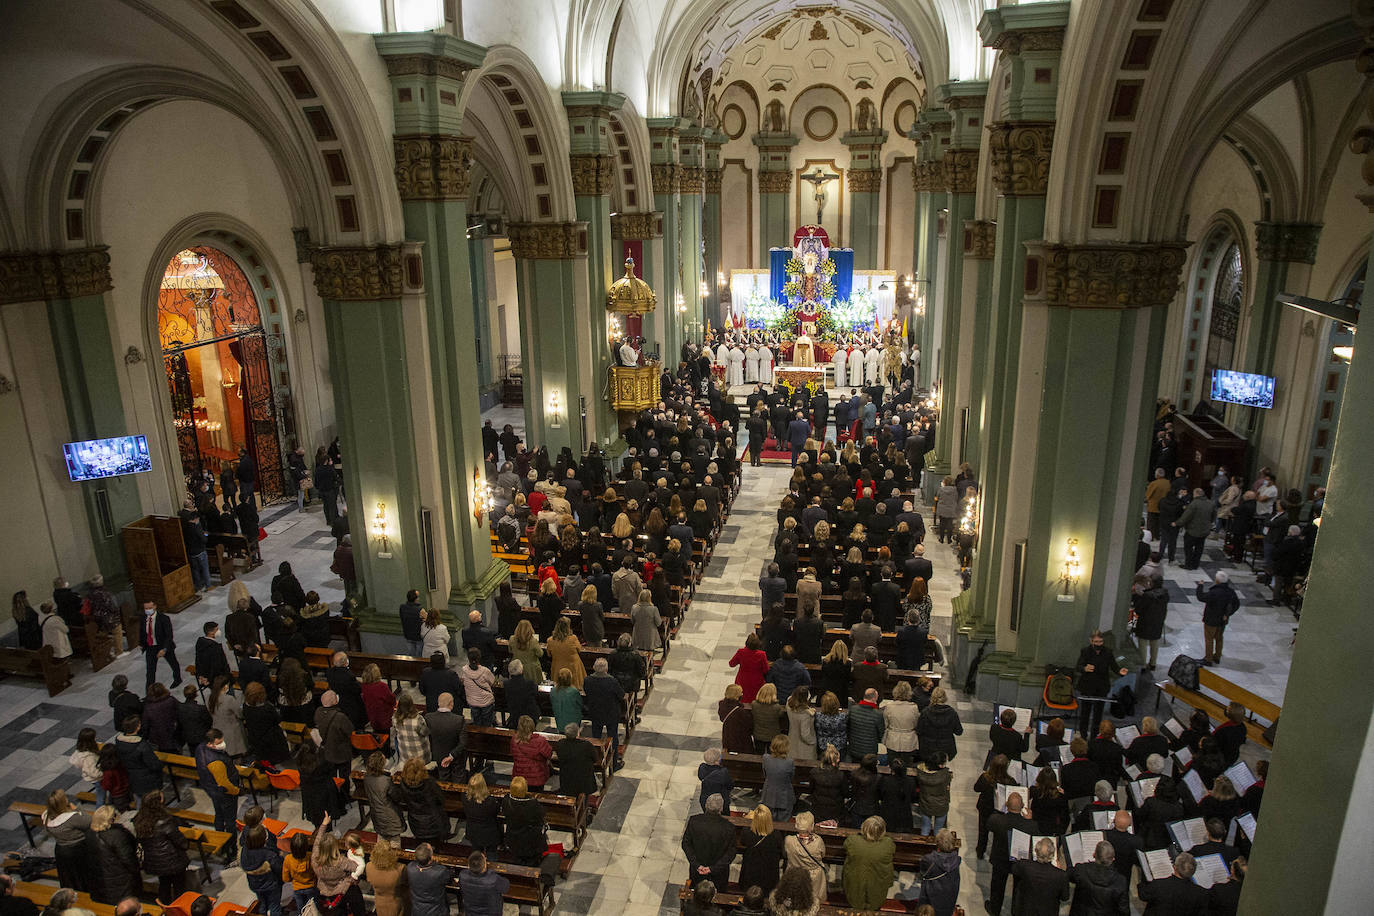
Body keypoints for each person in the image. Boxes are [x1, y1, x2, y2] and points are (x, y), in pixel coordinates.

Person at [132, 791, 189, 902]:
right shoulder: (165, 821)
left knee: (164, 885)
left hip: (155, 862)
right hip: (172, 861)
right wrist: (185, 844)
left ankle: (165, 908)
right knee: (179, 889)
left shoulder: (139, 820)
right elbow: (181, 842)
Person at [195, 728, 242, 858]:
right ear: (210, 744)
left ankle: (219, 835)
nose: (222, 744)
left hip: (211, 789)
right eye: (219, 742)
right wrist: (236, 790)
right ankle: (231, 846)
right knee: (230, 820)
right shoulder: (216, 762)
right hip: (224, 793)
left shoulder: (201, 748)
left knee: (219, 814)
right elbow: (224, 783)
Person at [986, 792, 1034, 916]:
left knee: (997, 887)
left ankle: (994, 909)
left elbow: (988, 824)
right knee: (1018, 889)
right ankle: (1015, 911)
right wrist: (1029, 820)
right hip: (1018, 861)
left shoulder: (998, 820)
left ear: (1006, 805)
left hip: (1000, 859)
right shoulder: (1029, 824)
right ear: (1023, 806)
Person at [85, 805, 141, 905]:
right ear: (111, 819)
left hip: (99, 879)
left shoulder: (89, 833)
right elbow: (128, 859)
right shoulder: (117, 836)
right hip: (120, 881)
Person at [388, 756, 449, 844]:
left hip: (416, 823)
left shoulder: (403, 784)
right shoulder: (430, 784)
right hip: (433, 823)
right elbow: (441, 799)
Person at [1075, 630, 1124, 735]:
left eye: (1100, 642)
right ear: (1091, 641)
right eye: (1096, 642)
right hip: (1087, 686)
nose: (1098, 644)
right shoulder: (1085, 651)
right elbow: (1078, 667)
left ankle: (1094, 735)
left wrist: (1120, 672)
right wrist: (1085, 668)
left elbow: (1114, 666)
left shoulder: (1108, 652)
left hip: (1101, 686)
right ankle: (1083, 735)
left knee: (1098, 715)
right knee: (1085, 714)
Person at [682, 794, 736, 888]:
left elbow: (686, 844)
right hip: (718, 873)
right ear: (721, 809)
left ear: (706, 805)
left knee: (697, 893)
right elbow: (731, 853)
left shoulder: (694, 821)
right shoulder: (729, 827)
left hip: (698, 871)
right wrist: (713, 869)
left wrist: (697, 865)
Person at [843, 815, 896, 912]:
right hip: (877, 883)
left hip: (855, 882)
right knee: (874, 905)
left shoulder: (853, 841)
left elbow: (846, 847)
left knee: (856, 906)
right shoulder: (888, 844)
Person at [1011, 836, 1070, 916]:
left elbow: (1014, 869)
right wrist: (1059, 870)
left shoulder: (1025, 866)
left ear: (1036, 851)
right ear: (1052, 854)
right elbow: (1065, 897)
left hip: (1025, 911)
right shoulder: (1061, 875)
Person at [585, 657, 626, 768]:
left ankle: (596, 759)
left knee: (596, 737)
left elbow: (587, 692)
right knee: (613, 737)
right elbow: (621, 695)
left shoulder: (588, 680)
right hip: (611, 713)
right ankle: (614, 763)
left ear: (594, 668)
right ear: (606, 669)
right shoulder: (612, 681)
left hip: (595, 712)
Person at [1138, 852, 1208, 915]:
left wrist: (1142, 882)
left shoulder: (1159, 885)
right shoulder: (1201, 893)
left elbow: (1143, 895)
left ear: (1175, 867)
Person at [739, 805, 785, 899]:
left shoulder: (747, 832)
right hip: (769, 873)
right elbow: (781, 852)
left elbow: (742, 842)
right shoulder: (776, 835)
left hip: (750, 872)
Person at [783, 811, 828, 904]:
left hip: (794, 874)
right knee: (812, 902)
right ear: (811, 826)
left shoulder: (789, 840)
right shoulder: (818, 841)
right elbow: (823, 855)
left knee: (794, 901)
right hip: (813, 877)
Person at [502, 776, 548, 867]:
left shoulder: (507, 800)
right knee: (532, 860)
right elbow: (542, 813)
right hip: (530, 839)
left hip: (513, 837)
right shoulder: (531, 804)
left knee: (518, 858)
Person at [1196, 571, 1240, 666]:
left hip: (1211, 619)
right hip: (1222, 620)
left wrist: (1200, 586)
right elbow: (1237, 604)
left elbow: (1201, 597)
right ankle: (1217, 656)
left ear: (1217, 581)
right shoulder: (1230, 592)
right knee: (1219, 638)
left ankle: (1208, 659)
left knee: (1209, 639)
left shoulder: (1214, 592)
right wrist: (1228, 614)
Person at [361, 753, 406, 844]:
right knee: (395, 844)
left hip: (376, 814)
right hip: (390, 817)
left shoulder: (367, 778)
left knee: (381, 843)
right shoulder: (386, 781)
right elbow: (397, 797)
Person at [241, 824, 285, 916]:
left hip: (255, 885)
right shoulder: (268, 854)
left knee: (262, 904)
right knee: (275, 906)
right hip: (271, 885)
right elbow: (280, 869)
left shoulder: (244, 850)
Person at [917, 829, 961, 916]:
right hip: (950, 892)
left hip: (932, 892)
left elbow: (922, 871)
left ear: (938, 843)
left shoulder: (929, 859)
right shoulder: (956, 859)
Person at [138, 601, 182, 689]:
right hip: (151, 647)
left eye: (149, 608)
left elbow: (169, 635)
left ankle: (177, 679)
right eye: (145, 608)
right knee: (150, 671)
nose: (147, 610)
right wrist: (141, 643)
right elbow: (142, 632)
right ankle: (149, 692)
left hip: (163, 645)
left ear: (154, 606)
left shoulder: (164, 618)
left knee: (173, 664)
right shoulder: (143, 618)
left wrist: (164, 649)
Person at [314, 690, 355, 781]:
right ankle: (343, 793)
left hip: (327, 752)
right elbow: (350, 731)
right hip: (341, 753)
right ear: (336, 701)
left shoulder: (318, 712)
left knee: (331, 778)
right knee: (344, 778)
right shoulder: (340, 717)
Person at [404, 841, 452, 916]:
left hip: (417, 910)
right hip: (436, 911)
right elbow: (448, 879)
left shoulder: (410, 868)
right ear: (431, 857)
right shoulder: (440, 871)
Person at [916, 687, 962, 761]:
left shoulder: (925, 712)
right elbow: (959, 731)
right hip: (945, 748)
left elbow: (919, 730)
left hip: (928, 747)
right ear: (945, 698)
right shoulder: (952, 713)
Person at [458, 850, 509, 916]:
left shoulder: (462, 875)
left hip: (470, 911)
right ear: (485, 866)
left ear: (468, 865)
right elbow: (506, 887)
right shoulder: (493, 879)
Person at [364, 838, 406, 916]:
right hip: (395, 902)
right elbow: (406, 884)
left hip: (379, 903)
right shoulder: (400, 868)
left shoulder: (369, 866)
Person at [459, 648, 497, 726]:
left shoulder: (464, 671)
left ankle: (478, 735)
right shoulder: (485, 671)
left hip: (472, 702)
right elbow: (492, 682)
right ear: (479, 658)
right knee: (487, 722)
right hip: (486, 701)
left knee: (477, 722)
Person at [548, 617, 587, 688]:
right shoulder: (573, 638)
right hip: (572, 668)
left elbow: (549, 654)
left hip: (558, 667)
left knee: (559, 688)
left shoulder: (550, 640)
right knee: (575, 687)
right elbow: (579, 649)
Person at [730, 633, 770, 702]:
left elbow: (731, 664)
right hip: (757, 681)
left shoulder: (741, 652)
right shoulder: (762, 654)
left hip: (742, 680)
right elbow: (766, 670)